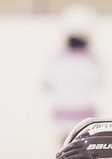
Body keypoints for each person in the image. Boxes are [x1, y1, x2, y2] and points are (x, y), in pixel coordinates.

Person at [40, 9, 103, 144]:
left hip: (63, 111)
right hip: (84, 112)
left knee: (65, 144)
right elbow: (98, 81)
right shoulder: (92, 59)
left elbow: (45, 83)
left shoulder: (56, 58)